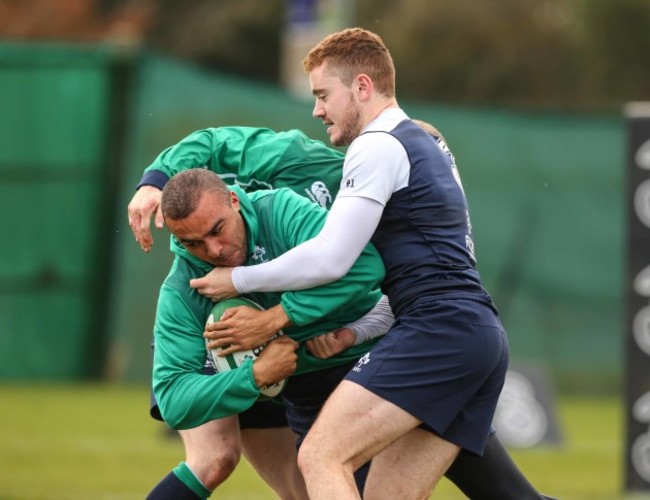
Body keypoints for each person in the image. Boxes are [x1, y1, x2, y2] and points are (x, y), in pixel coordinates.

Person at [181, 28, 554, 499]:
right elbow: (427, 275)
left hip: (439, 331)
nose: (317, 110)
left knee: (320, 456)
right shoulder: (429, 146)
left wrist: (237, 279)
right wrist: (354, 333)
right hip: (474, 334)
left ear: (362, 86)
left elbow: (332, 259)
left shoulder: (377, 144)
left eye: (322, 95)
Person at [148, 168, 389, 498]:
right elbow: (174, 400)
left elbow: (365, 265)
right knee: (216, 460)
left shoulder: (281, 211)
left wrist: (277, 318)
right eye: (193, 243)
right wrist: (255, 375)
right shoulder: (182, 289)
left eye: (217, 229)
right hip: (266, 378)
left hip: (352, 358)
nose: (214, 250)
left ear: (234, 200)